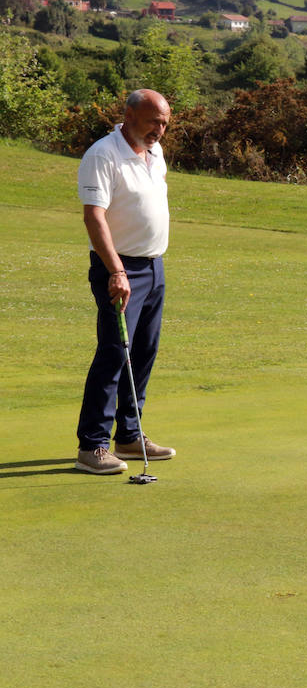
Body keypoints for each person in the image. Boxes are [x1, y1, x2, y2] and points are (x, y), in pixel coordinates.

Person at [74, 89, 177, 474]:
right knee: (115, 352)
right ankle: (93, 445)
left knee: (144, 351)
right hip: (119, 268)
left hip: (154, 266)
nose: (160, 130)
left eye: (165, 123)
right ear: (130, 115)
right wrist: (116, 270)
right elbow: (94, 217)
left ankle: (129, 436)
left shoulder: (155, 153)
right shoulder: (103, 154)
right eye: (154, 121)